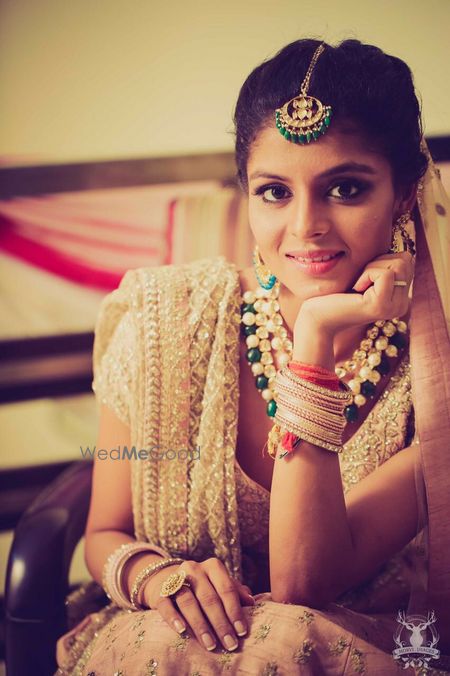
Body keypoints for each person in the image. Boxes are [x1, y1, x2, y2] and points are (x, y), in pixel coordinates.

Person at [55, 38, 450, 675]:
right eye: (274, 192)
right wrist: (159, 580)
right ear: (246, 193)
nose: (305, 227)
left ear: (404, 194)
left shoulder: (435, 377)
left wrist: (315, 341)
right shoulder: (164, 317)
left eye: (345, 188)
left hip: (358, 639)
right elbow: (103, 534)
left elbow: (303, 583)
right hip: (167, 634)